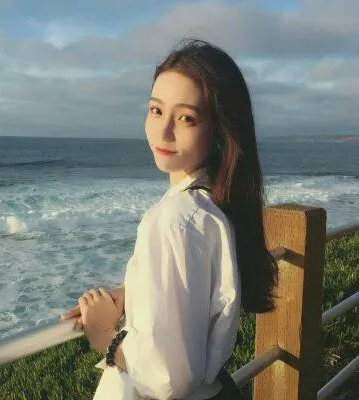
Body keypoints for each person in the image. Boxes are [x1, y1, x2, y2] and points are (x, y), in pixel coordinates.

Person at [61, 38, 278, 399]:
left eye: (186, 118)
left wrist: (104, 334)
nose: (163, 132)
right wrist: (133, 292)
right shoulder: (215, 206)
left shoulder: (176, 220)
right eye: (156, 110)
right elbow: (194, 289)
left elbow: (168, 379)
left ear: (220, 130)